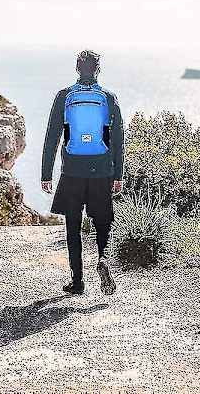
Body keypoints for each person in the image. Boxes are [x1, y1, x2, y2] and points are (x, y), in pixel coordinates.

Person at [41, 50, 124, 295]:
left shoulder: (64, 96)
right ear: (97, 70)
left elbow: (53, 135)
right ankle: (103, 260)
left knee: (73, 226)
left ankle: (77, 282)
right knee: (104, 223)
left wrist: (47, 173)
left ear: (78, 69)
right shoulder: (108, 98)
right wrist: (118, 174)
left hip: (72, 171)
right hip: (101, 171)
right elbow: (118, 140)